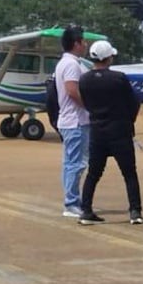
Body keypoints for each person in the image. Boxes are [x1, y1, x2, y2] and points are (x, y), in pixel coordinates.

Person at [77, 40, 143, 225]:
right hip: (119, 130)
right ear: (108, 58)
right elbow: (133, 103)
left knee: (94, 173)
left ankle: (86, 210)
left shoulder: (84, 80)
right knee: (129, 173)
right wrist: (128, 120)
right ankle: (135, 211)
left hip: (97, 131)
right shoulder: (119, 78)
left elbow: (86, 103)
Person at [54, 25, 90, 217]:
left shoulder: (69, 63)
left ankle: (73, 199)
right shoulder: (71, 65)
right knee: (76, 163)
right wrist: (89, 106)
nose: (85, 44)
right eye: (83, 41)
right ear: (76, 43)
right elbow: (72, 90)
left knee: (72, 162)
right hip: (75, 121)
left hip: (73, 120)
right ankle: (71, 202)